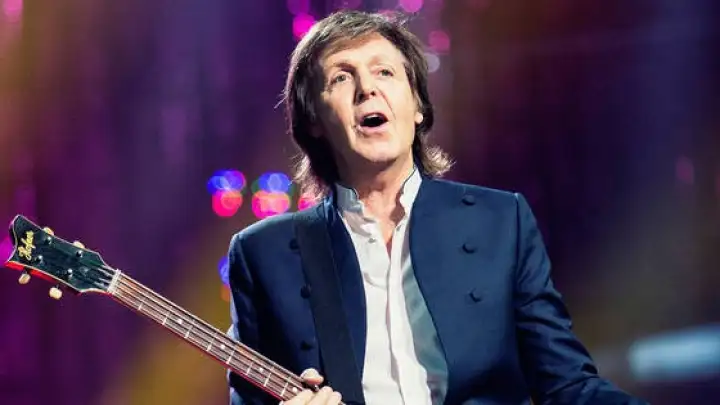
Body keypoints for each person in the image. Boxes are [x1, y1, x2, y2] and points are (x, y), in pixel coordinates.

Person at [226, 9, 647, 405]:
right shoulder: (262, 253)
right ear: (313, 120)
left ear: (417, 106)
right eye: (340, 77)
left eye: (384, 72)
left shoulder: (500, 222)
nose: (366, 88)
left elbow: (567, 384)